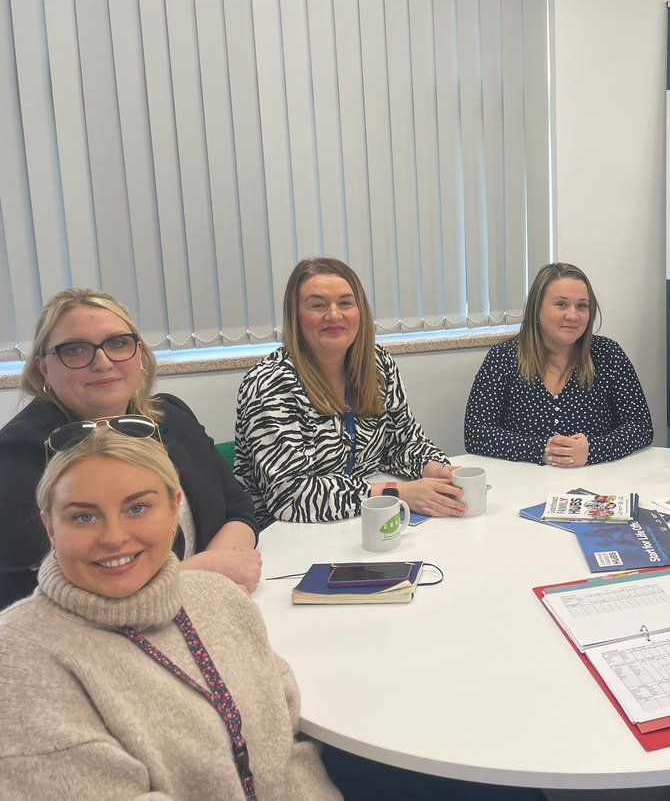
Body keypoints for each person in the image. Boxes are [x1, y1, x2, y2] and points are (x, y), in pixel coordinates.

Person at [0, 428, 339, 799]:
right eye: (83, 517)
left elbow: (288, 754)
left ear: (175, 507)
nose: (114, 537)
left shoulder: (219, 597)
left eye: (137, 508)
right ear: (50, 526)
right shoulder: (19, 656)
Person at [0, 289, 259, 610]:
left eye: (118, 343)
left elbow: (238, 510)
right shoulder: (15, 453)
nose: (102, 361)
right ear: (44, 368)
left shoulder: (172, 416)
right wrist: (202, 574)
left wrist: (223, 567)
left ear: (139, 353)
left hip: (208, 610)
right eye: (76, 350)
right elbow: (62, 582)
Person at [236, 258, 461, 522]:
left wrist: (433, 467)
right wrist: (395, 493)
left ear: (360, 311)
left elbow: (402, 442)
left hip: (361, 518)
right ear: (295, 316)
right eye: (317, 305)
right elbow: (291, 496)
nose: (333, 314)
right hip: (283, 533)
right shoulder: (269, 383)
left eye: (345, 303)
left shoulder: (378, 365)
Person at [463, 262, 652, 467]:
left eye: (582, 306)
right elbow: (476, 433)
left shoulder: (608, 355)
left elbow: (641, 426)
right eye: (561, 304)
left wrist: (594, 450)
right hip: (521, 485)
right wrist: (543, 451)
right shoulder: (503, 358)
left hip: (598, 481)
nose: (572, 315)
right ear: (537, 309)